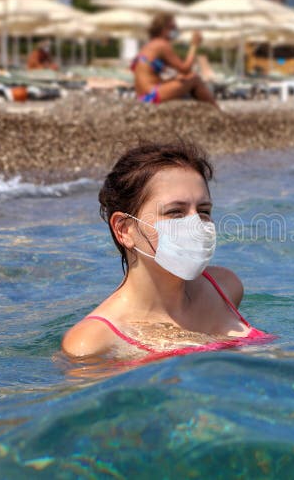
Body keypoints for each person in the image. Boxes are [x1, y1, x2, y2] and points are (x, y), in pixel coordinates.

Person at [62, 141, 271, 362]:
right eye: (175, 212)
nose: (196, 224)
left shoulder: (225, 287)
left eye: (203, 211)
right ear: (124, 229)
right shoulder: (91, 342)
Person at [131, 14, 218, 108]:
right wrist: (194, 44)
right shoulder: (162, 45)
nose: (176, 30)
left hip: (142, 97)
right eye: (173, 27)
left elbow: (153, 76)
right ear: (164, 29)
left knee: (182, 78)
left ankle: (209, 110)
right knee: (194, 79)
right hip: (152, 95)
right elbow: (186, 69)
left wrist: (177, 78)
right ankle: (217, 111)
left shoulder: (149, 46)